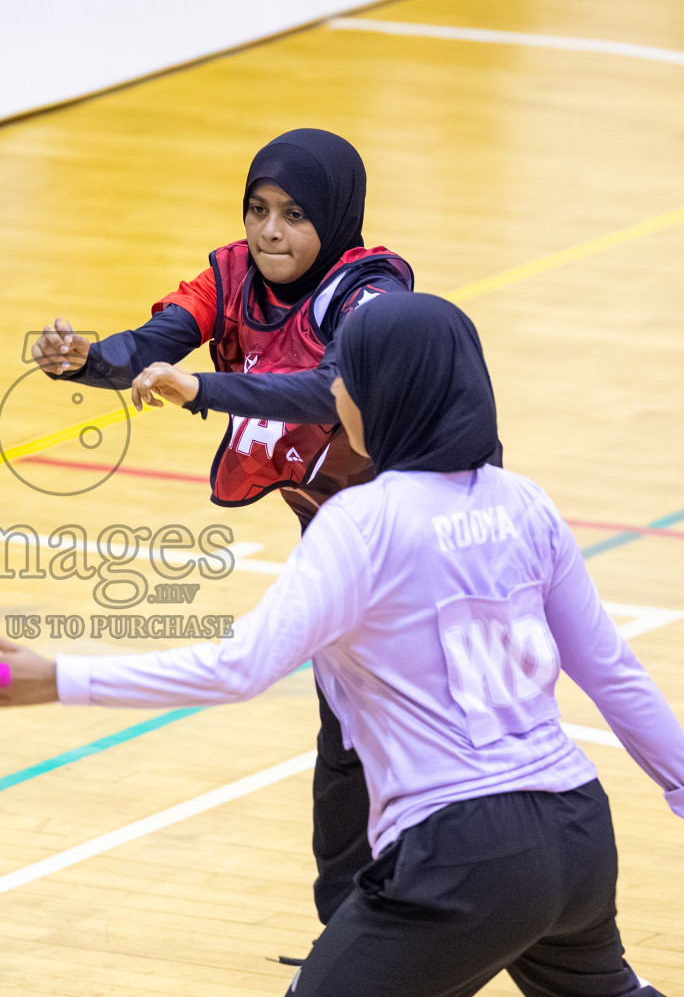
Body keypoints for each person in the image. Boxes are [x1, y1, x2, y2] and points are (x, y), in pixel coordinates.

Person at [0, 291, 684, 997]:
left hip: (462, 854)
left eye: (348, 374)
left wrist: (61, 678)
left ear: (392, 391)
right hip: (579, 835)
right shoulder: (525, 502)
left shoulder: (360, 523)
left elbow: (238, 668)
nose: (332, 388)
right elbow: (611, 670)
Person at [31, 128, 420, 926]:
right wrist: (86, 360)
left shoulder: (370, 293)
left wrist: (200, 390)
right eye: (258, 209)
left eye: (294, 215)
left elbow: (323, 392)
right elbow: (152, 347)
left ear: (337, 217)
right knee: (344, 731)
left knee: (419, 725)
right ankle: (351, 925)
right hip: (336, 536)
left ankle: (457, 905)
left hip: (420, 532)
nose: (270, 231)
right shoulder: (230, 274)